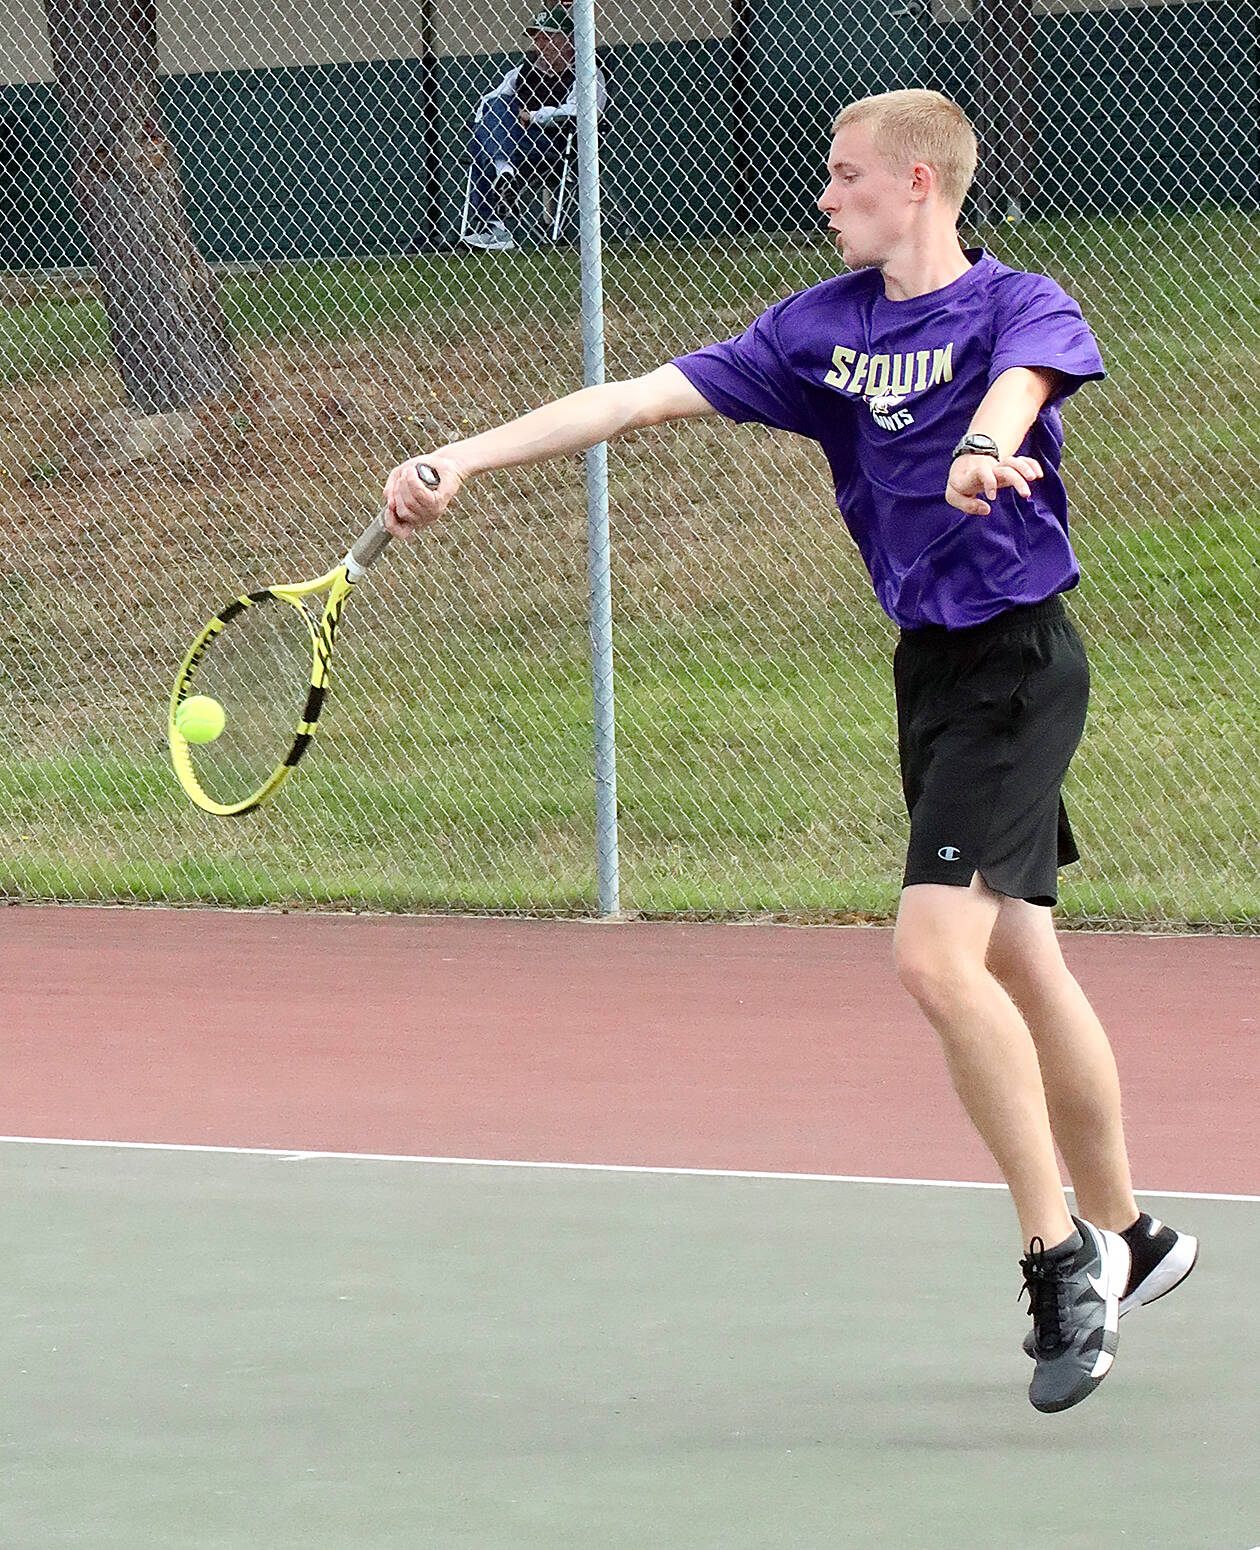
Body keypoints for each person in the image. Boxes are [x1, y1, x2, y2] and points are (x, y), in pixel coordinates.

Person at [385, 88, 1198, 1413]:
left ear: (922, 183)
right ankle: (1136, 1232)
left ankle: (1062, 1262)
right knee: (1022, 958)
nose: (825, 197)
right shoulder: (816, 334)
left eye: (846, 176)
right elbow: (638, 397)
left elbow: (1022, 387)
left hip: (1018, 663)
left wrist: (989, 449)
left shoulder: (1017, 302)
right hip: (931, 672)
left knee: (935, 958)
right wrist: (462, 457)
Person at [461, 7, 607, 252]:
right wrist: (493, 123)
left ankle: (495, 223)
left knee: (483, 144)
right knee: (495, 108)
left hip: (555, 145)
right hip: (516, 142)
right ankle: (503, 173)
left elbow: (580, 112)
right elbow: (487, 102)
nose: (541, 44)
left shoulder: (587, 71)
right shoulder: (522, 72)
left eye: (548, 37)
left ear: (569, 40)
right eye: (537, 38)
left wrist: (534, 116)